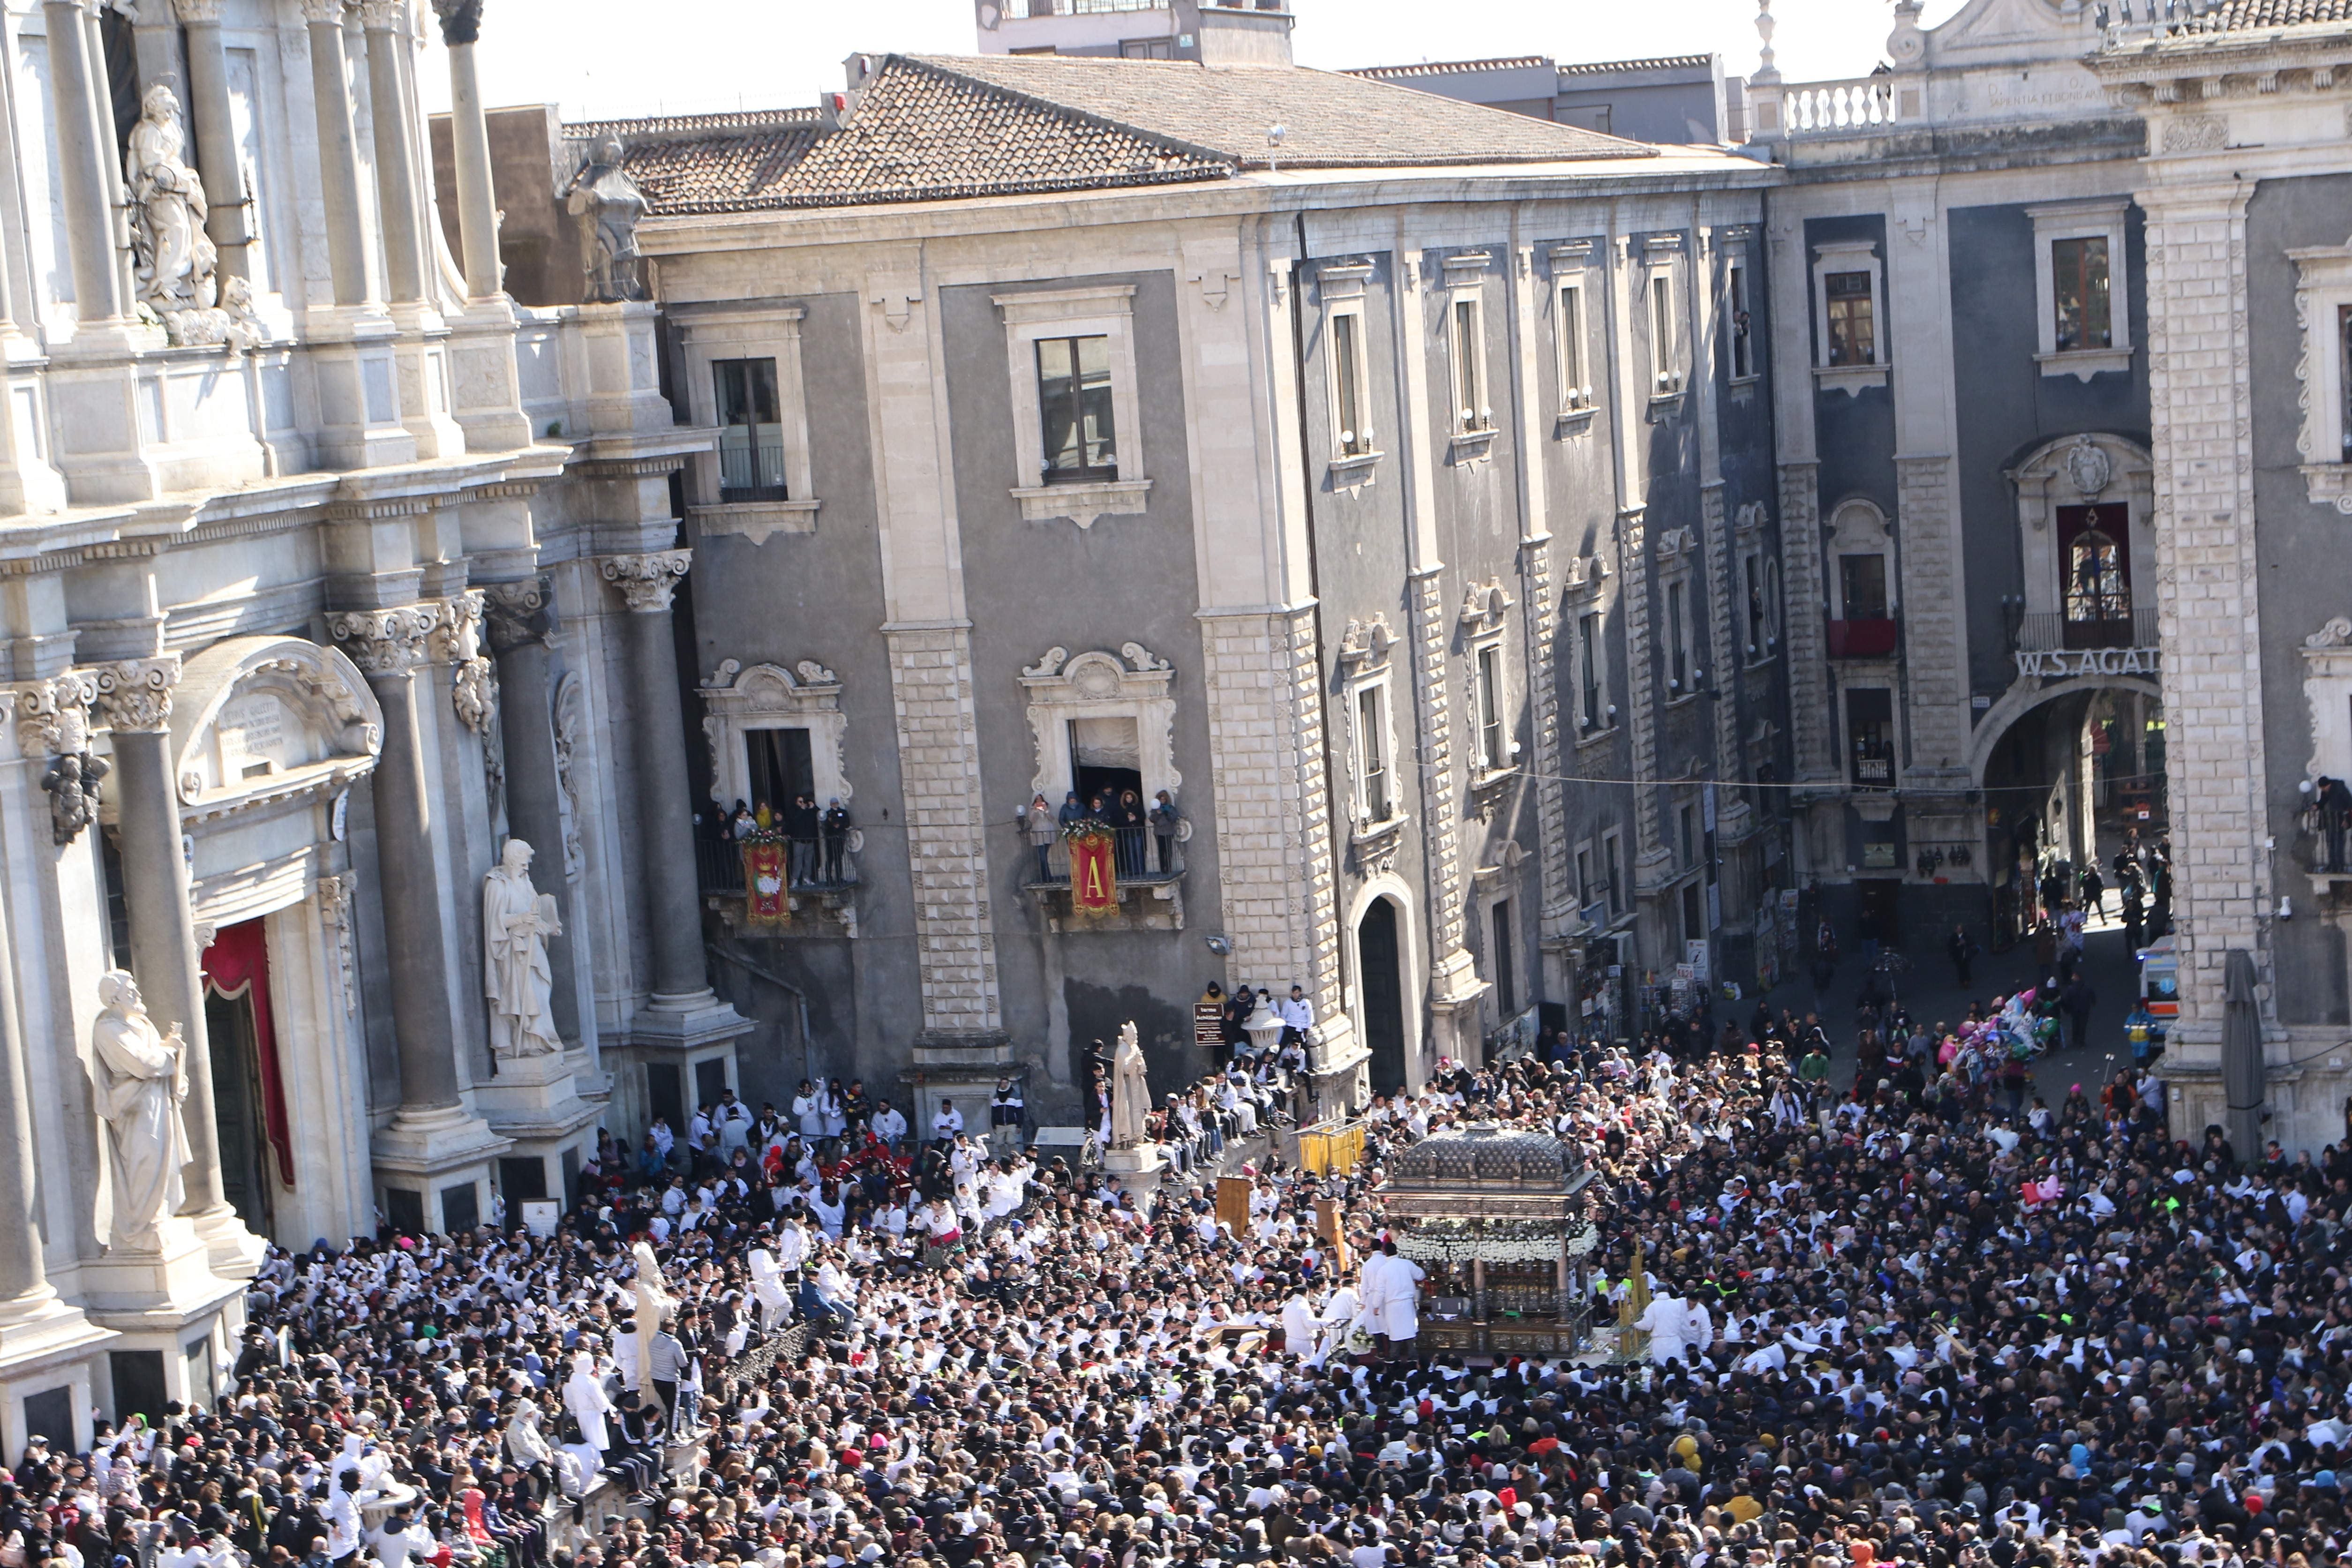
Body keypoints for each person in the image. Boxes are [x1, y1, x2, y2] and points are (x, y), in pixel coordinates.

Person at [988, 1077, 1025, 1159]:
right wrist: (994, 1125)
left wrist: (1019, 1125)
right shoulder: (996, 1097)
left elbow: (1020, 1112)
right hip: (1000, 1125)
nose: (1004, 1085)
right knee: (999, 1143)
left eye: (1006, 1083)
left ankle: (1014, 1159)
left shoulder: (1016, 1096)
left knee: (1011, 1142)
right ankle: (1004, 1159)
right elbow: (993, 1113)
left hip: (1011, 1124)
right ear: (1000, 1084)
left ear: (1009, 1084)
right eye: (1002, 1083)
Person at [1022, 793, 1055, 882]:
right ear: (1035, 801)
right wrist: (1036, 810)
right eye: (1037, 799)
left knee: (1044, 857)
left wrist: (1046, 811)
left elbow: (1052, 818)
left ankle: (1047, 878)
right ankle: (1047, 878)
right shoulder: (1032, 809)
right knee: (1042, 858)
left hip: (1048, 835)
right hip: (1039, 837)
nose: (1039, 801)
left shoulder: (1047, 807)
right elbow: (1032, 820)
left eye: (1040, 799)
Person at [819, 798, 852, 883]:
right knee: (830, 858)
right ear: (831, 805)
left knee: (838, 858)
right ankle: (829, 878)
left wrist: (839, 826)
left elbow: (847, 823)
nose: (835, 804)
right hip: (830, 838)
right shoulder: (827, 814)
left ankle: (839, 878)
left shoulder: (844, 812)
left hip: (840, 837)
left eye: (836, 803)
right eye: (833, 803)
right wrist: (832, 824)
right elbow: (824, 826)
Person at [1150, 788, 1180, 874]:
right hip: (1159, 833)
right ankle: (1163, 869)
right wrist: (1158, 814)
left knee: (1168, 851)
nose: (1162, 801)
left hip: (1168, 832)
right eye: (1161, 799)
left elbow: (1175, 817)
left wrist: (1167, 814)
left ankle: (1169, 868)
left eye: (1164, 799)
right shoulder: (1155, 809)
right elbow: (1152, 819)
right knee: (1161, 851)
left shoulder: (1170, 808)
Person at [1277, 983, 1314, 1050]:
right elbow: (1283, 1014)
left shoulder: (1306, 1002)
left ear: (1300, 993)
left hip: (1302, 1026)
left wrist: (1308, 1026)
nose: (1295, 995)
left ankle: (1308, 1060)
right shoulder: (1288, 1002)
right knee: (1282, 1045)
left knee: (1304, 1047)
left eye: (1297, 993)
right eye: (1294, 993)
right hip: (1291, 1026)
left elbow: (1310, 1014)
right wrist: (1286, 1025)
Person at [1946, 922, 1978, 987]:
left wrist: (1965, 943)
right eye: (1958, 929)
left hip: (1965, 955)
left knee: (1966, 968)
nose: (1959, 930)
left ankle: (1967, 981)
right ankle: (1962, 981)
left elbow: (1971, 942)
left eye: (1960, 929)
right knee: (1960, 969)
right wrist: (1957, 945)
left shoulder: (1966, 936)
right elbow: (1951, 945)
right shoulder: (1954, 937)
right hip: (1958, 956)